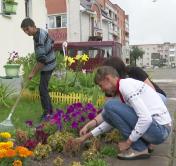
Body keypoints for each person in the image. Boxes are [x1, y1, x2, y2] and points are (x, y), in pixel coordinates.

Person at [76, 66, 172, 160]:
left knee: (109, 106)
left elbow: (146, 118)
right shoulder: (124, 88)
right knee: (107, 113)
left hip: (160, 130)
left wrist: (128, 143)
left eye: (101, 85)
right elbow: (111, 121)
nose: (102, 90)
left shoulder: (126, 86)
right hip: (158, 130)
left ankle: (139, 149)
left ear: (107, 79)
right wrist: (87, 136)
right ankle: (141, 147)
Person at [21, 18, 56, 119]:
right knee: (43, 88)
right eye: (24, 30)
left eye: (27, 29)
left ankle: (47, 114)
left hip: (48, 65)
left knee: (42, 89)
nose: (26, 32)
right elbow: (52, 41)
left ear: (33, 26)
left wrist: (32, 73)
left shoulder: (38, 39)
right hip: (50, 61)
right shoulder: (41, 31)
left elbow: (42, 61)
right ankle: (50, 111)